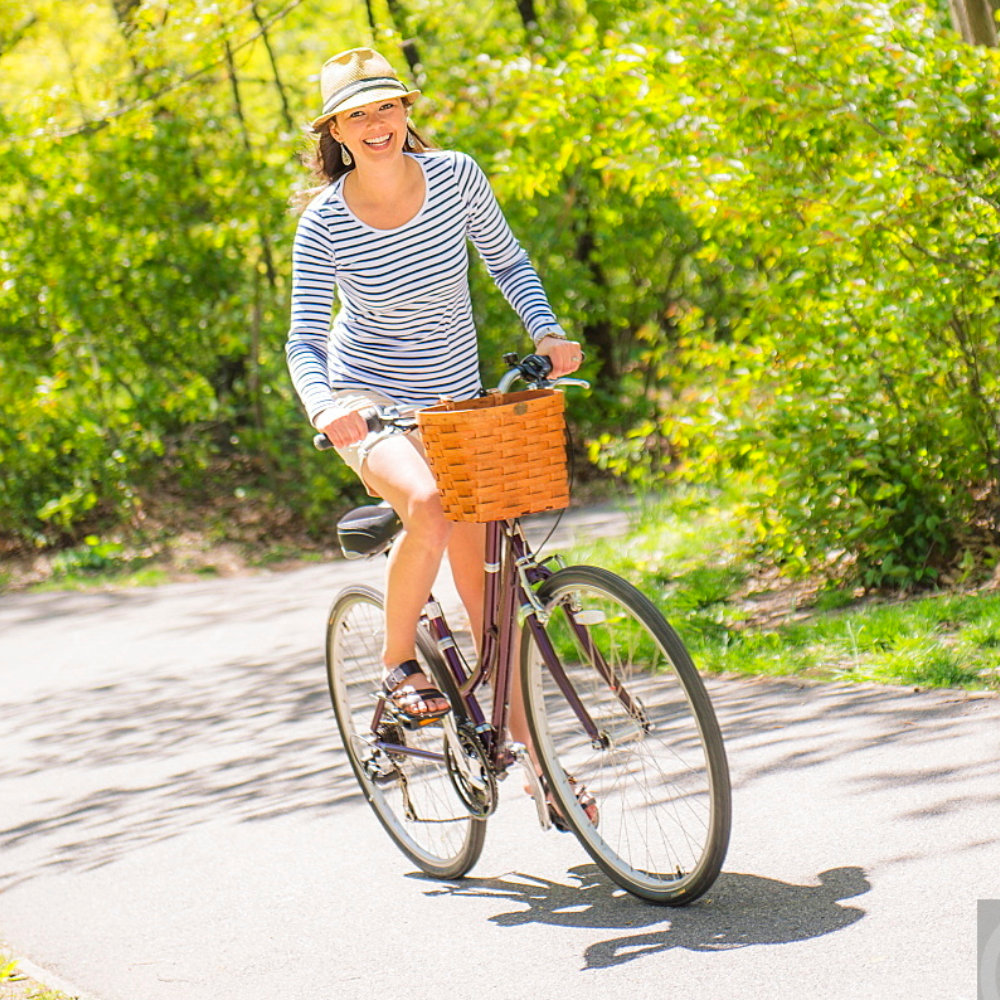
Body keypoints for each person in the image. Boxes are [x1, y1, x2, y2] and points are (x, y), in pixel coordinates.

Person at [286, 47, 583, 731]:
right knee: (427, 503)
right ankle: (398, 669)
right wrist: (327, 406)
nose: (375, 123)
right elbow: (303, 338)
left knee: (490, 609)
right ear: (335, 131)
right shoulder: (324, 223)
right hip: (369, 404)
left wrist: (547, 332)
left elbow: (508, 260)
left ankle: (545, 776)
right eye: (356, 114)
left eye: (386, 105)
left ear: (405, 110)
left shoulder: (455, 179)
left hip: (455, 404)